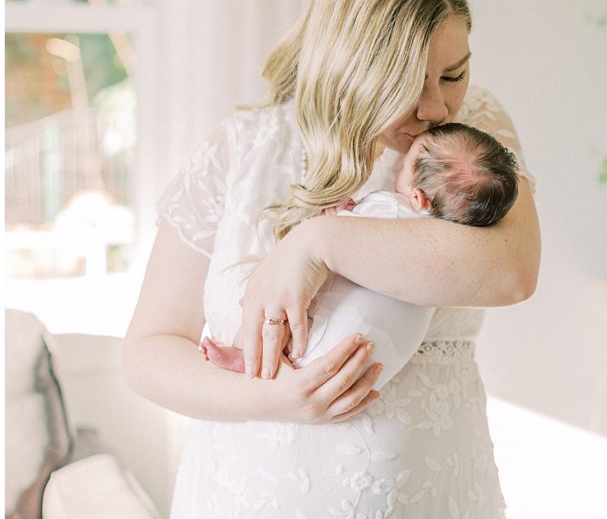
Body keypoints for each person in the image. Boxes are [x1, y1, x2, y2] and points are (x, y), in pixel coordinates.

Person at [122, 0, 540, 519]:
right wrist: (274, 398)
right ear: (348, 64)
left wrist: (317, 244)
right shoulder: (242, 153)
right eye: (407, 84)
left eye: (452, 72)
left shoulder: (470, 139)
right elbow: (147, 351)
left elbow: (510, 270)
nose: (436, 106)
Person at [201, 121, 520, 389]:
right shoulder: (446, 249)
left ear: (418, 198)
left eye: (407, 161)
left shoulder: (393, 207)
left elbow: (348, 235)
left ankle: (244, 354)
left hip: (319, 343)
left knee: (275, 298)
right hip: (369, 366)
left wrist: (336, 218)